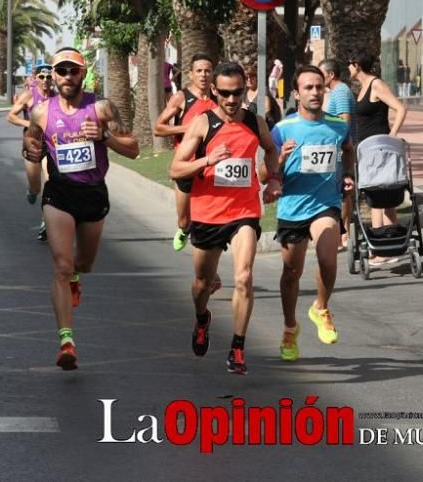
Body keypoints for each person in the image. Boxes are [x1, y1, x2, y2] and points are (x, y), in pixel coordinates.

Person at [22, 48, 139, 371]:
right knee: (61, 265)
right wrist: (31, 152)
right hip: (59, 193)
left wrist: (104, 137)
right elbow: (31, 143)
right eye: (61, 71)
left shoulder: (101, 108)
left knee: (83, 263)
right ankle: (66, 341)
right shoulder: (42, 112)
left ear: (83, 74)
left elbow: (134, 148)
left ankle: (76, 275)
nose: (67, 77)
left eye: (73, 71)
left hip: (92, 193)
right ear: (54, 75)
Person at [170, 61, 282, 375]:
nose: (232, 100)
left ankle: (237, 347)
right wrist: (208, 159)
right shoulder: (202, 124)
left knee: (244, 277)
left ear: (244, 89)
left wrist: (273, 179)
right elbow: (175, 169)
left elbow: (271, 150)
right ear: (215, 92)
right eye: (226, 94)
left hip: (244, 212)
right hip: (207, 214)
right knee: (202, 284)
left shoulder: (254, 122)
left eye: (238, 93)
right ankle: (202, 318)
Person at [271, 66, 353, 361]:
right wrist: (280, 158)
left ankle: (320, 307)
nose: (316, 92)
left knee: (328, 258)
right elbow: (265, 171)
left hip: (325, 205)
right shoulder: (282, 129)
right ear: (296, 94)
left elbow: (348, 149)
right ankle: (290, 328)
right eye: (308, 88)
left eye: (319, 87)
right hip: (293, 207)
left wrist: (348, 174)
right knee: (291, 272)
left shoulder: (338, 125)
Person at [153, 54, 217, 253]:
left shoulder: (219, 99)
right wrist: (190, 129)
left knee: (208, 218)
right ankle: (183, 229)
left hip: (210, 167)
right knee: (184, 219)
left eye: (207, 70)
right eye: (199, 71)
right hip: (186, 165)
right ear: (190, 74)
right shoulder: (181, 97)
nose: (203, 75)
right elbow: (158, 128)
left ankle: (207, 256)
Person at [348, 54, 407, 261]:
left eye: (350, 64)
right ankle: (395, 242)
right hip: (366, 150)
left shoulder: (376, 84)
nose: (348, 68)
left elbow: (400, 108)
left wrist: (392, 136)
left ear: (356, 64)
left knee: (375, 195)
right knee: (385, 197)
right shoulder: (363, 87)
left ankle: (380, 250)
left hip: (379, 150)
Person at [6, 64, 54, 241]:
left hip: (51, 145)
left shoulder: (58, 98)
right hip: (32, 144)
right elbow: (11, 116)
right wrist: (30, 125)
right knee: (36, 186)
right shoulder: (29, 96)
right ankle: (32, 192)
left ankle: (46, 222)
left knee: (51, 182)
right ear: (36, 79)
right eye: (42, 77)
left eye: (49, 77)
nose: (46, 81)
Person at [319, 58, 354, 249]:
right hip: (333, 149)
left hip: (340, 149)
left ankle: (345, 234)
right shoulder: (334, 92)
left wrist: (340, 144)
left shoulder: (340, 92)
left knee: (343, 193)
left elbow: (344, 121)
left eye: (321, 73)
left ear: (331, 75)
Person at [242, 64, 281, 128]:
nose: (249, 79)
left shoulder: (262, 89)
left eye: (252, 76)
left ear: (256, 77)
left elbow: (267, 109)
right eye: (246, 78)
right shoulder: (244, 92)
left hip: (266, 126)